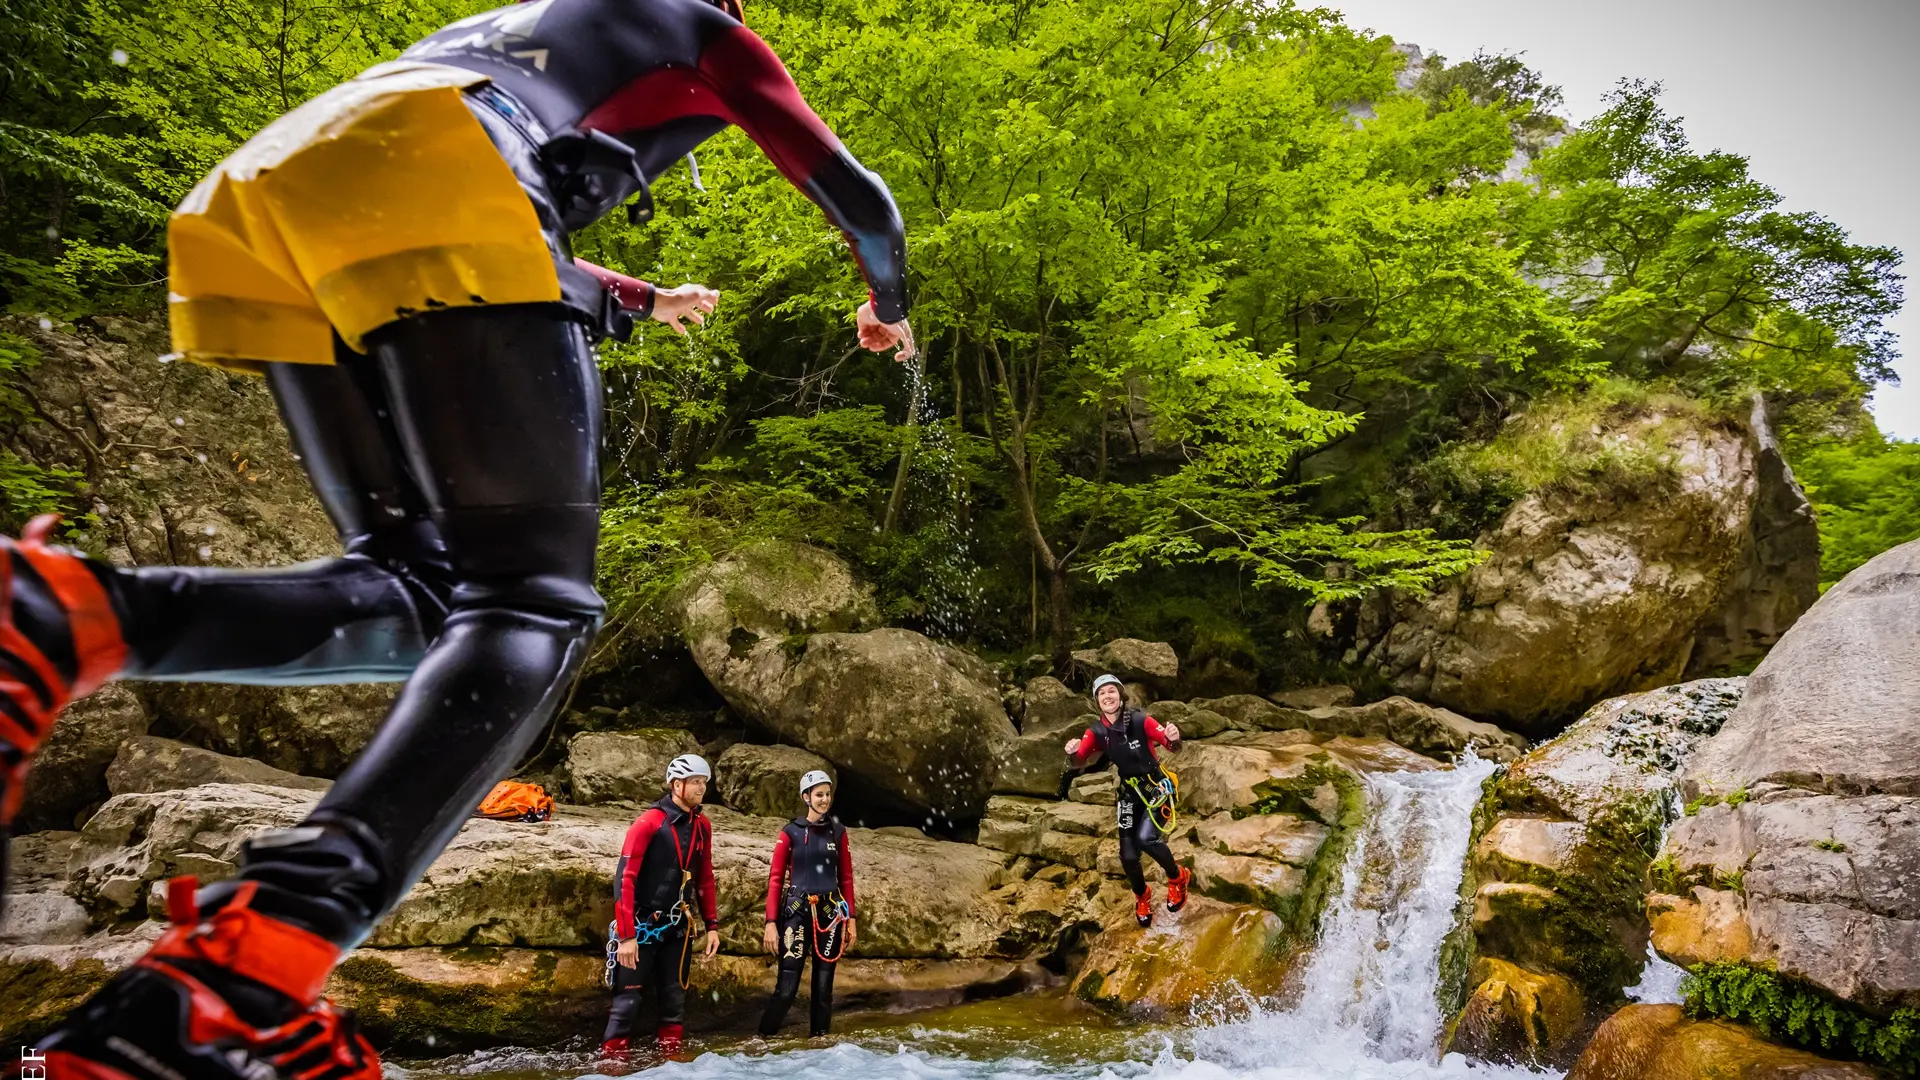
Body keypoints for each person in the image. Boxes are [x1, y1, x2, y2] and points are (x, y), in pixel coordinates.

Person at [15, 0, 912, 1075]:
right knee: (535, 603)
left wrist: (638, 298)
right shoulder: (696, 24)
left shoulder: (513, 29)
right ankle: (251, 967)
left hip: (268, 191)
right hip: (449, 159)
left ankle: (68, 615)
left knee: (427, 596)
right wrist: (887, 301)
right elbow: (860, 199)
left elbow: (441, 206)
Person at [602, 753, 720, 1059]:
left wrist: (712, 926)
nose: (702, 788)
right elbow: (624, 879)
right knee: (626, 1004)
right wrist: (626, 936)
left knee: (674, 1003)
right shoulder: (649, 822)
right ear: (677, 785)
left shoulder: (702, 826)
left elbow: (705, 878)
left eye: (704, 782)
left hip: (678, 928)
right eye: (696, 782)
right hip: (641, 928)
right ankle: (612, 1065)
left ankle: (672, 1064)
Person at [1065, 674, 1191, 928]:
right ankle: (1142, 895)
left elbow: (1172, 746)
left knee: (1146, 839)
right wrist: (1072, 752)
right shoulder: (1097, 731)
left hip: (1156, 786)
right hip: (1129, 793)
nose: (1107, 696)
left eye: (1111, 691)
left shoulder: (1140, 720)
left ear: (1120, 695)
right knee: (1128, 854)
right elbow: (1078, 761)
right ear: (1097, 701)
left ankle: (1178, 878)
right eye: (1102, 693)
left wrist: (1173, 736)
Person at [756, 769, 856, 1038]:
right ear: (806, 797)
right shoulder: (790, 832)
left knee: (823, 989)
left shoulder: (838, 832)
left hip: (831, 915)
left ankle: (819, 1044)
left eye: (828, 794)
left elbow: (846, 878)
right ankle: (761, 1041)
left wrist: (852, 920)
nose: (824, 800)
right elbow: (775, 880)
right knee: (786, 989)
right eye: (818, 795)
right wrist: (771, 923)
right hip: (797, 914)